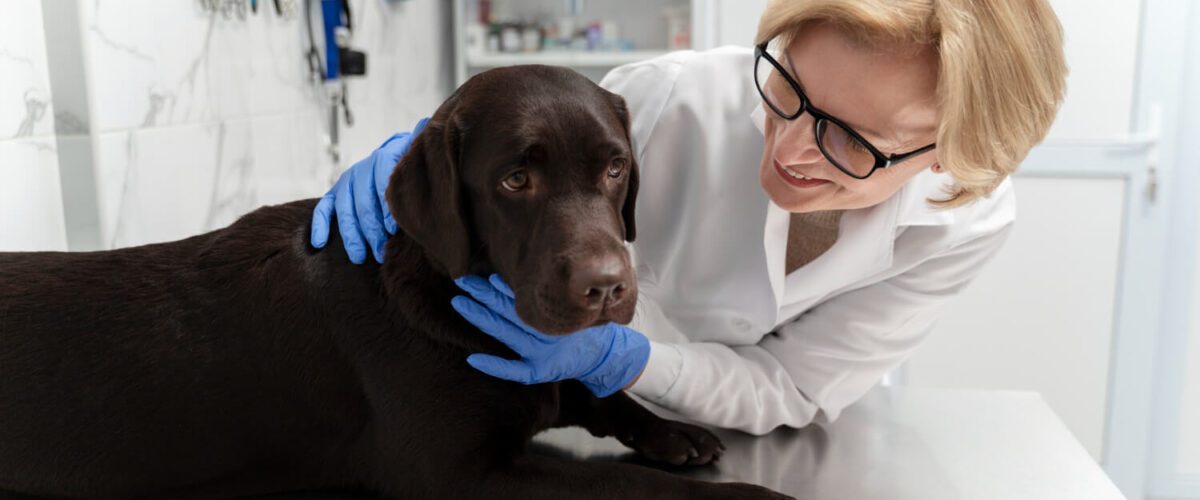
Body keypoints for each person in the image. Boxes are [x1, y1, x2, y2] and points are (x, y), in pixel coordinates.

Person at [310, 0, 1067, 434]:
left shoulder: (962, 222)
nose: (792, 148)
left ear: (945, 157)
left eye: (854, 139)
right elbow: (522, 148)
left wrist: (626, 359)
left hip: (745, 434)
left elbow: (792, 388)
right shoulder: (666, 100)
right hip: (572, 421)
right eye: (791, 86)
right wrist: (424, 161)